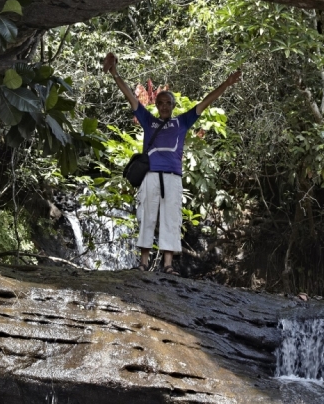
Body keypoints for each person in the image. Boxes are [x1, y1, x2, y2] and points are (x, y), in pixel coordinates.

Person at [103, 52, 241, 276]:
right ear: (156, 105)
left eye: (168, 103)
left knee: (171, 219)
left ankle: (168, 265)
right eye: (161, 103)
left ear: (174, 105)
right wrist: (115, 74)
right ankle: (144, 263)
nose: (165, 106)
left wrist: (227, 83)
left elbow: (207, 101)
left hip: (173, 177)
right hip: (151, 175)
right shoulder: (149, 120)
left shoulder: (183, 121)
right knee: (147, 216)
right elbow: (131, 97)